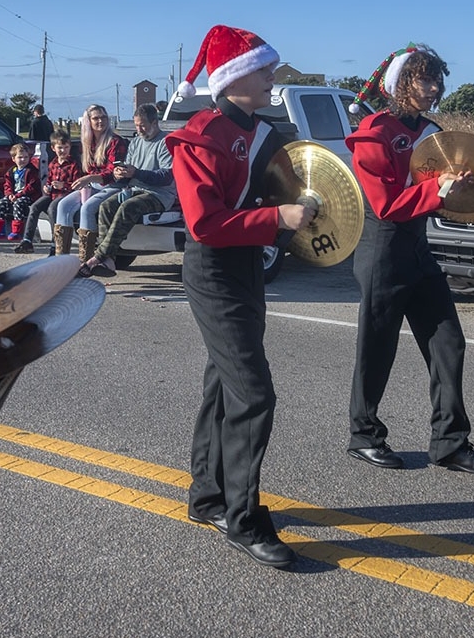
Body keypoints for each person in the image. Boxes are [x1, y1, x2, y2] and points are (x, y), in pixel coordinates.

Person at [166, 25, 314, 568]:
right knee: (253, 394)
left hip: (250, 265)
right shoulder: (198, 135)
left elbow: (293, 184)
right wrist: (278, 217)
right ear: (231, 80)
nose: (272, 76)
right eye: (263, 69)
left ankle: (207, 497)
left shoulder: (266, 132)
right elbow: (205, 223)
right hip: (213, 270)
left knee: (224, 385)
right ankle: (243, 518)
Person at [344, 45, 474, 476]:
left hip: (417, 248)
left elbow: (436, 195)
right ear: (400, 85)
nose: (433, 88)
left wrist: (463, 192)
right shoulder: (374, 130)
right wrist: (438, 189)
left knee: (448, 342)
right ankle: (364, 435)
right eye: (424, 80)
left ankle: (449, 442)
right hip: (382, 247)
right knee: (377, 347)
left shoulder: (432, 131)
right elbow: (387, 203)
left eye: (436, 80)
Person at [80, 103, 175, 277]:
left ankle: (98, 257)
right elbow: (128, 171)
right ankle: (109, 261)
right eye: (136, 125)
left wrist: (136, 172)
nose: (138, 129)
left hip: (159, 195)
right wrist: (119, 172)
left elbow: (165, 176)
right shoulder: (136, 142)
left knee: (127, 208)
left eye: (142, 125)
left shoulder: (165, 143)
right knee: (106, 206)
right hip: (135, 189)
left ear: (154, 122)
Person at [53, 104, 127, 264]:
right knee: (63, 206)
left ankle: (85, 262)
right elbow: (83, 171)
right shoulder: (85, 143)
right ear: (88, 121)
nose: (100, 121)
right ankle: (61, 261)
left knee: (87, 208)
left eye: (103, 117)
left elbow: (113, 173)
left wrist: (89, 179)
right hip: (92, 185)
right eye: (96, 118)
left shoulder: (116, 141)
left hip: (113, 186)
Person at [14, 128, 82, 254]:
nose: (63, 151)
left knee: (52, 209)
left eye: (66, 147)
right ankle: (27, 240)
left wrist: (64, 185)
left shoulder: (73, 164)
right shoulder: (53, 164)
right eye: (60, 148)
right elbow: (49, 180)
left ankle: (55, 242)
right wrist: (47, 186)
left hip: (66, 195)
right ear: (53, 148)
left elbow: (77, 184)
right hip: (52, 194)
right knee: (34, 207)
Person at [0, 142, 40, 240]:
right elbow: (7, 185)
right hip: (14, 195)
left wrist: (18, 195)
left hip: (28, 196)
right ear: (14, 159)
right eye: (20, 157)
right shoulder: (11, 171)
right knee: (1, 203)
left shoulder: (31, 171)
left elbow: (32, 187)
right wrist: (9, 194)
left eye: (26, 157)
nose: (23, 160)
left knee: (18, 204)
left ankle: (17, 231)